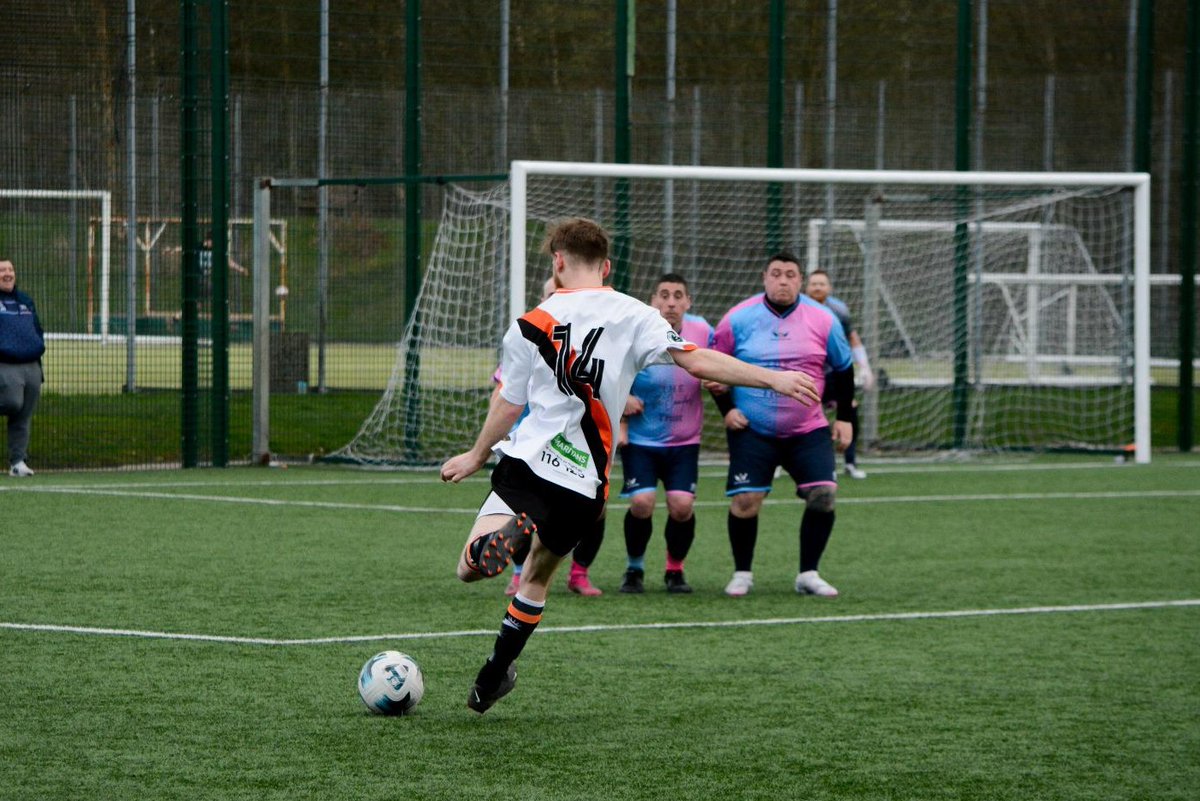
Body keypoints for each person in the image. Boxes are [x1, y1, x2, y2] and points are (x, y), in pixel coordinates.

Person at [440, 219, 820, 714]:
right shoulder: (636, 315)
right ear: (607, 266)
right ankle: (492, 675)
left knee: (469, 569)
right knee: (537, 579)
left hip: (528, 465)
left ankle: (495, 542)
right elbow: (699, 362)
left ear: (557, 262)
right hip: (583, 485)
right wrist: (774, 379)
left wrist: (474, 455)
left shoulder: (530, 324)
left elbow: (509, 404)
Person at [709, 252, 854, 599]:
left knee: (823, 496)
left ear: (801, 281)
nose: (783, 280)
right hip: (753, 430)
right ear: (764, 278)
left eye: (791, 274)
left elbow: (845, 369)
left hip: (808, 429)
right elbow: (714, 366)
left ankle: (808, 574)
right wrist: (727, 409)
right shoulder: (737, 318)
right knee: (746, 500)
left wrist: (846, 418)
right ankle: (742, 572)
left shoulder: (824, 319)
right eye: (776, 274)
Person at [499, 276, 607, 598]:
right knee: (523, 508)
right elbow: (504, 393)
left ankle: (579, 573)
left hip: (576, 444)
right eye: (550, 294)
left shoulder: (587, 345)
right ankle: (520, 573)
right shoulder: (527, 338)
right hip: (529, 442)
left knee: (595, 507)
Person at [618, 273, 714, 595]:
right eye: (664, 295)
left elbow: (721, 365)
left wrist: (725, 392)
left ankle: (675, 571)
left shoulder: (703, 332)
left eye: (677, 296)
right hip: (642, 440)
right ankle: (634, 569)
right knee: (642, 503)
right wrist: (622, 402)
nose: (670, 302)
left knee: (682, 505)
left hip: (684, 441)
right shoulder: (635, 333)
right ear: (653, 301)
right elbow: (611, 375)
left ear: (688, 302)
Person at [804, 269, 875, 479]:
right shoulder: (798, 308)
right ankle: (782, 460)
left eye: (822, 283)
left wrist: (865, 368)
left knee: (849, 409)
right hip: (807, 371)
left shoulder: (839, 310)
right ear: (806, 287)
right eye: (814, 283)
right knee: (801, 415)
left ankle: (850, 462)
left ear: (829, 287)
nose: (817, 287)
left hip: (835, 373)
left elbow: (853, 338)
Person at [0, 259, 46, 477]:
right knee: (12, 402)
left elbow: (37, 329)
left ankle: (18, 462)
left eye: (10, 269)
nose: (7, 274)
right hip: (5, 364)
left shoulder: (26, 301)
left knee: (23, 414)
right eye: (1, 270)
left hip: (31, 366)